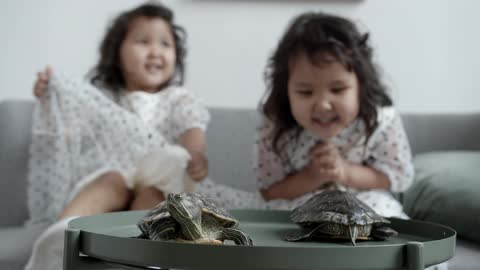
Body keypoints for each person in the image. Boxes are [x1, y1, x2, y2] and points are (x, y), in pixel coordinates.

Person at [25, 2, 211, 269]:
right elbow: (70, 135)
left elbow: (192, 129)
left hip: (159, 175)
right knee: (110, 180)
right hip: (115, 173)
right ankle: (61, 237)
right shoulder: (103, 98)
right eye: (143, 41)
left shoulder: (178, 99)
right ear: (117, 53)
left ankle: (144, 254)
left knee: (156, 192)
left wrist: (197, 155)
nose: (155, 51)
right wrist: (49, 99)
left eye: (165, 44)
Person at [254, 11, 414, 218]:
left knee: (383, 215)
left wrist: (345, 172)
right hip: (298, 205)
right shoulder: (274, 123)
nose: (323, 105)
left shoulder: (380, 118)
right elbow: (269, 192)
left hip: (363, 203)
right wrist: (311, 176)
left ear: (361, 85)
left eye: (338, 90)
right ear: (286, 91)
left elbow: (398, 176)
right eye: (305, 92)